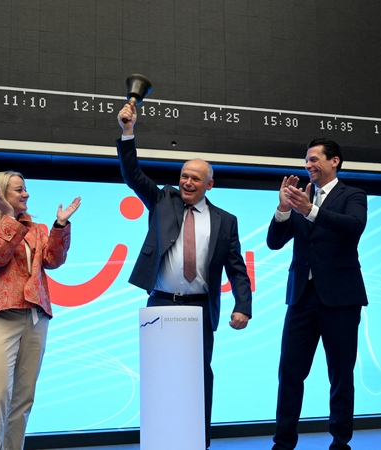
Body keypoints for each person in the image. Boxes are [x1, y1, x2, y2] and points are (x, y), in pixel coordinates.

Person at [116, 103, 253, 448]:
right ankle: (162, 442)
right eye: (184, 176)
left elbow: (236, 267)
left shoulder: (226, 220)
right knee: (161, 378)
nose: (187, 182)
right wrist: (128, 134)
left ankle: (199, 442)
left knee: (198, 378)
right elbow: (133, 174)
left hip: (200, 309)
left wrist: (243, 306)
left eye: (195, 178)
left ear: (210, 183)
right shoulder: (163, 200)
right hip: (161, 304)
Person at [267, 138, 368, 450]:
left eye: (314, 160)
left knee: (340, 374)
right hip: (301, 297)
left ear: (334, 161)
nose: (308, 165)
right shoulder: (299, 198)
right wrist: (284, 208)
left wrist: (310, 209)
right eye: (306, 161)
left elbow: (354, 226)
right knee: (290, 373)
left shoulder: (353, 194)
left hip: (341, 299)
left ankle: (340, 442)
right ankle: (283, 443)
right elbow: (274, 242)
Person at [0, 171, 81, 450]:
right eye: (19, 190)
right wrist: (8, 219)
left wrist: (60, 225)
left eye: (26, 189)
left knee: (23, 399)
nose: (26, 194)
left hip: (35, 317)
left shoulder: (36, 229)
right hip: (1, 316)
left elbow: (53, 260)